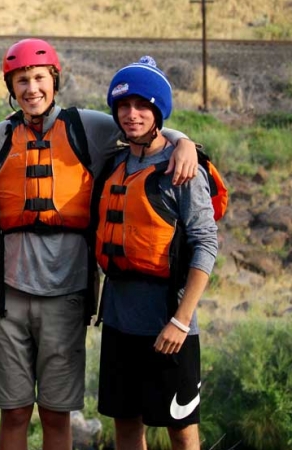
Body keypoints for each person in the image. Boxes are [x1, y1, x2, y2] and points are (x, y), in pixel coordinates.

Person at [0, 39, 200, 450]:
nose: (31, 89)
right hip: (9, 300)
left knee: (55, 412)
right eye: (21, 81)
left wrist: (183, 140)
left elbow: (142, 130)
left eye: (38, 78)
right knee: (14, 411)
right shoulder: (1, 136)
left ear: (55, 80)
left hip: (66, 298)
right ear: (10, 88)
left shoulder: (89, 127)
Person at [95, 56, 217, 450]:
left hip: (170, 323)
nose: (131, 115)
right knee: (127, 426)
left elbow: (206, 243)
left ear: (158, 110)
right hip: (118, 319)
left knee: (181, 431)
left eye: (143, 106)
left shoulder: (183, 170)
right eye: (124, 106)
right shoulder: (114, 163)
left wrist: (181, 321)